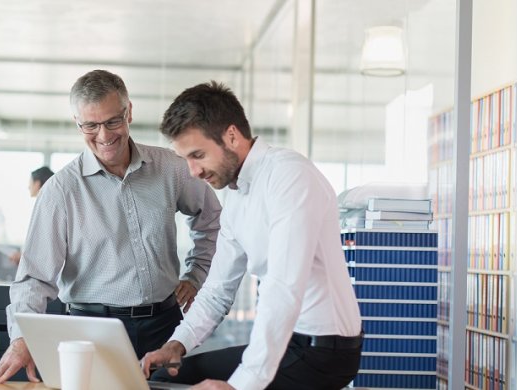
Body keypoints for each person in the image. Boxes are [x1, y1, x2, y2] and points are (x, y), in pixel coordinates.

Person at [0, 70, 222, 384]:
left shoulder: (171, 169)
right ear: (77, 123)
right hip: (90, 331)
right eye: (90, 125)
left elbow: (213, 221)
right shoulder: (61, 191)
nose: (104, 135)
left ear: (129, 112)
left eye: (112, 121)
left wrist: (197, 272)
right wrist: (21, 339)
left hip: (164, 326)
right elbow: (34, 278)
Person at [140, 82, 363, 390]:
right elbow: (217, 290)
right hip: (291, 342)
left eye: (198, 155)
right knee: (166, 378)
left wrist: (242, 385)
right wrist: (177, 345)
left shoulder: (290, 176)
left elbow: (283, 286)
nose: (193, 171)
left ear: (231, 136)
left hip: (324, 351)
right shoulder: (237, 197)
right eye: (186, 159)